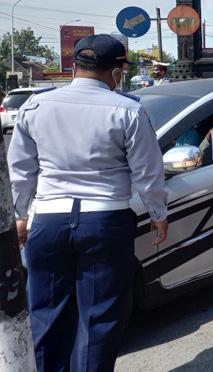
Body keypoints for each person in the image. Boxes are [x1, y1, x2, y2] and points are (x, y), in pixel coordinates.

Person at [7, 34, 169, 371]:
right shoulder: (127, 109)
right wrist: (158, 213)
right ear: (116, 72)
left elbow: (20, 169)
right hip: (105, 220)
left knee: (47, 315)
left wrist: (20, 215)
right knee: (98, 318)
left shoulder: (35, 106)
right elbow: (148, 171)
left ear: (76, 66)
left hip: (48, 221)